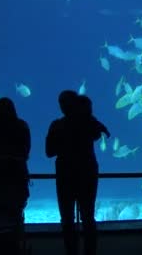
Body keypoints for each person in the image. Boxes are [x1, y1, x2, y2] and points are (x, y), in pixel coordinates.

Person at [46, 91, 110, 255]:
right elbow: (98, 134)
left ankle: (72, 252)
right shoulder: (89, 123)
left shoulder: (57, 125)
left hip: (65, 175)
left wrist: (64, 144)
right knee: (88, 217)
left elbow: (49, 152)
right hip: (87, 173)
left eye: (62, 102)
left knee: (67, 220)